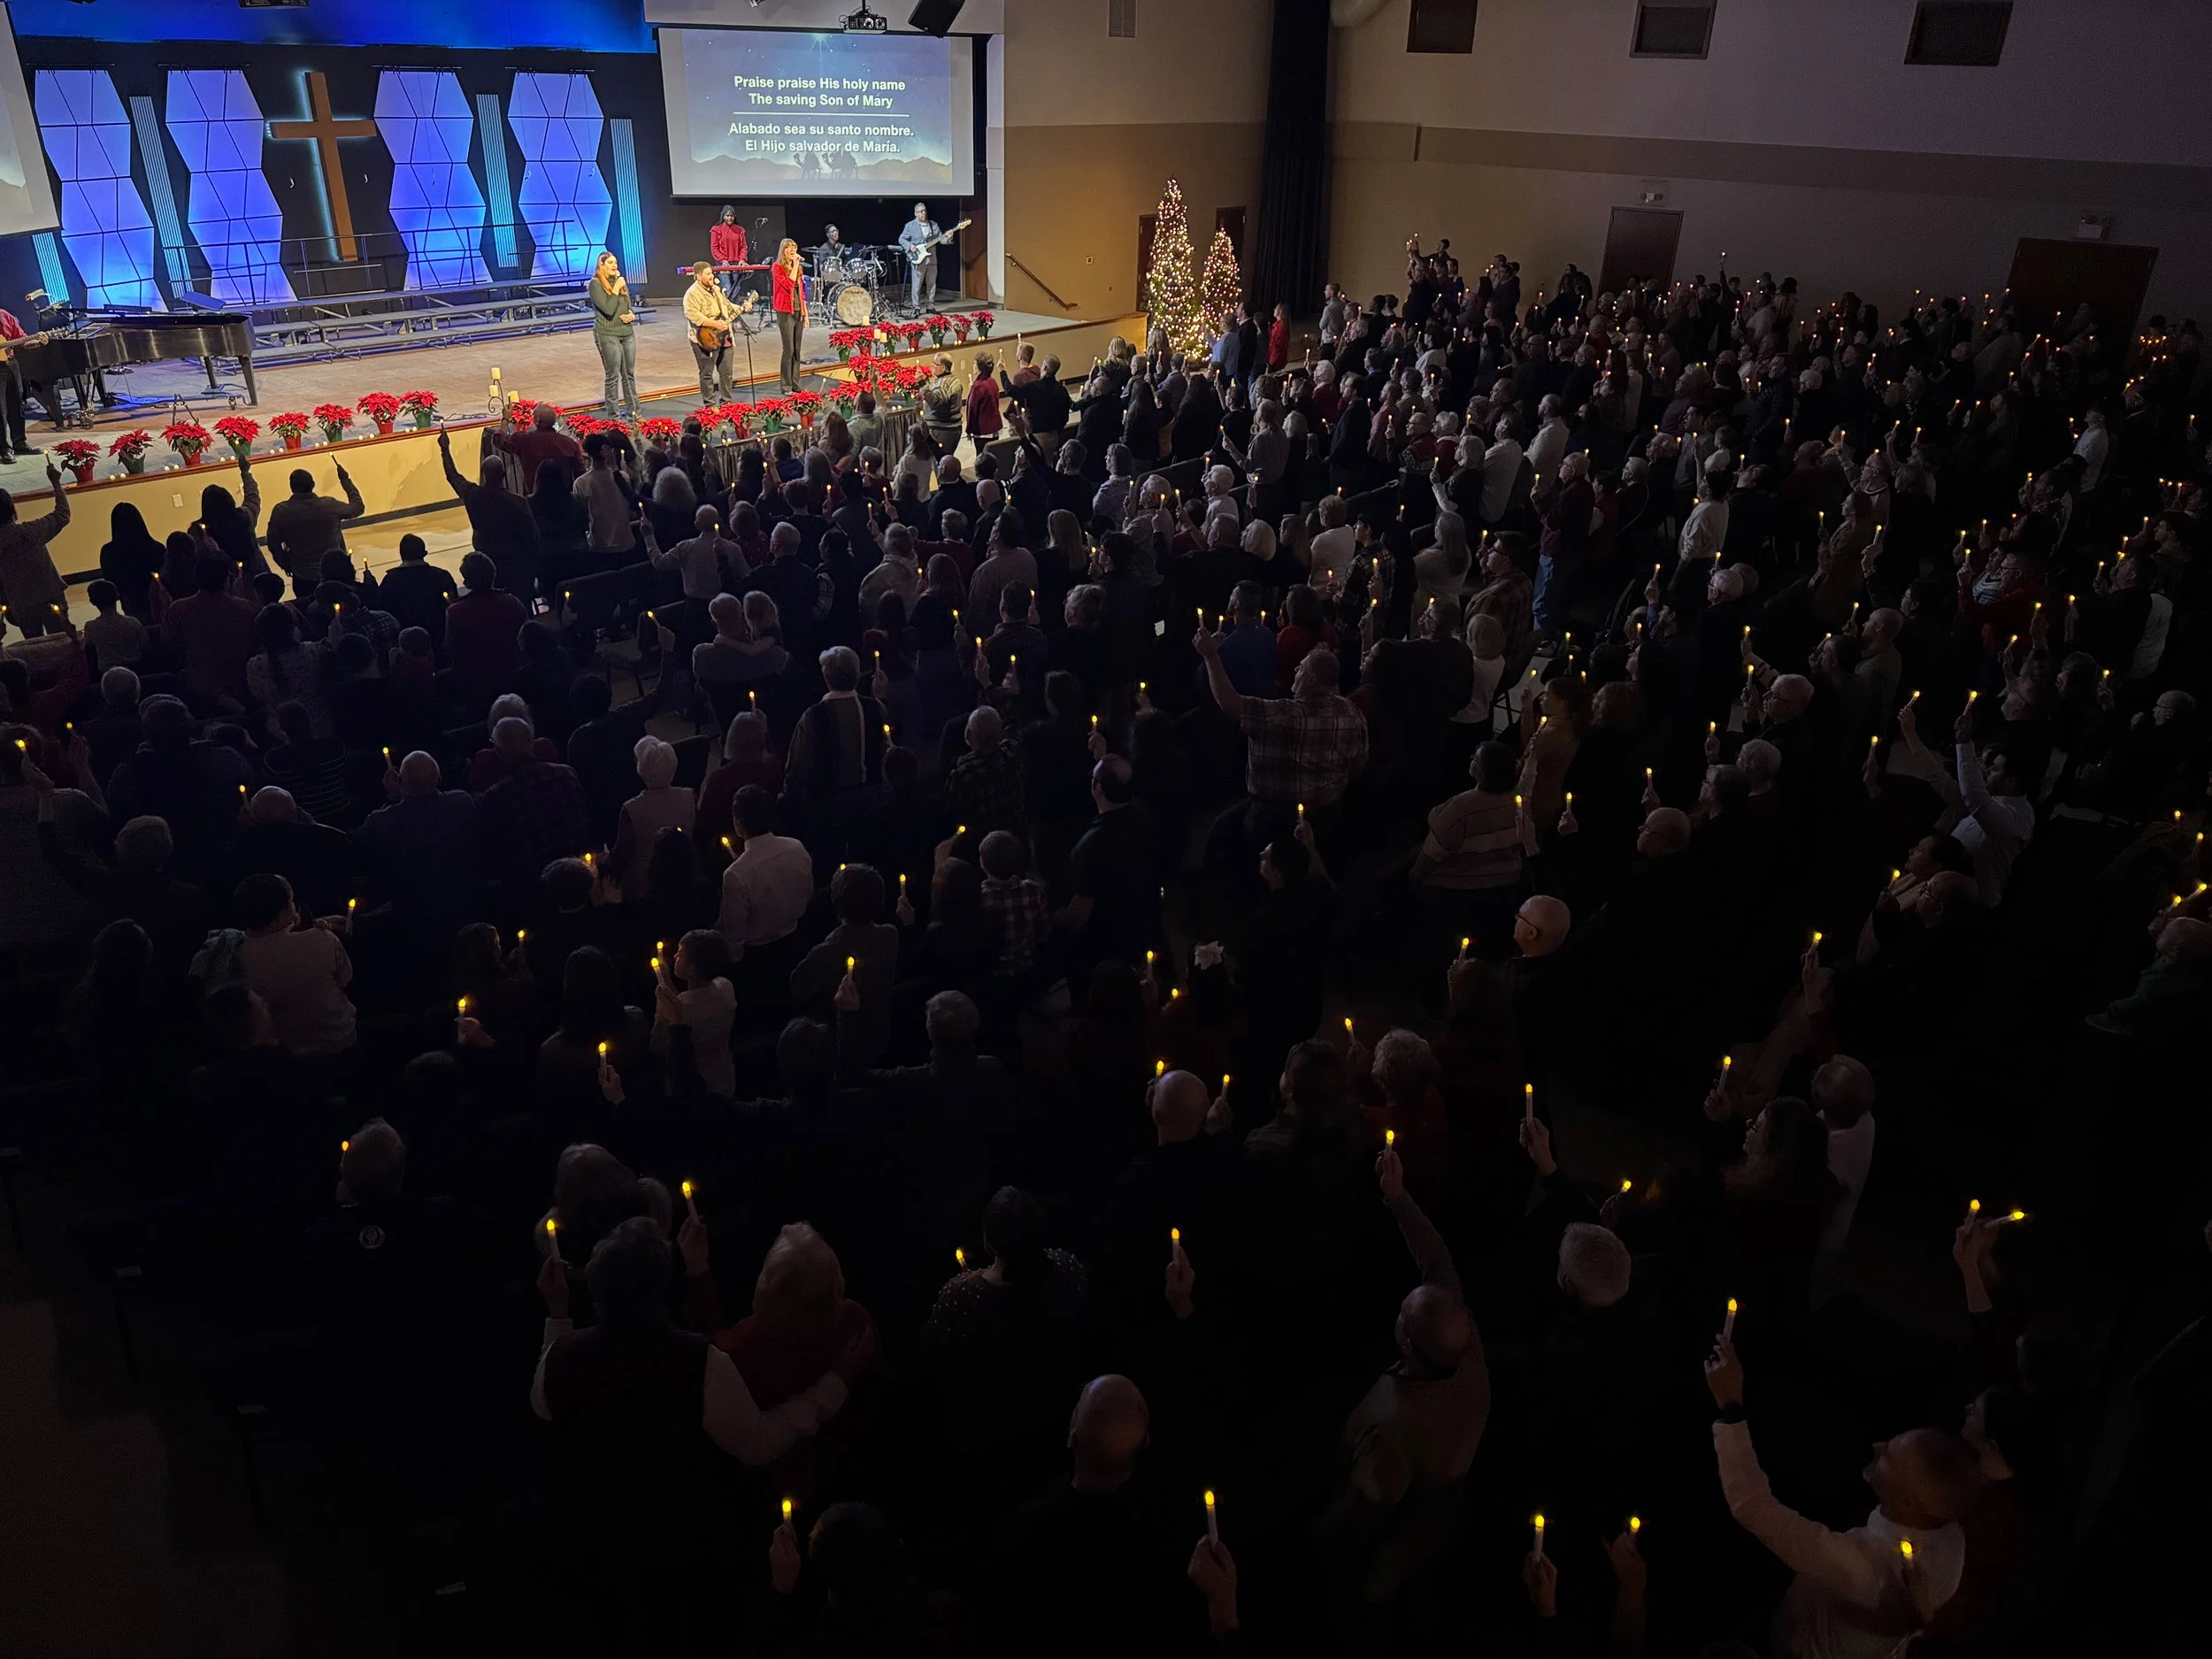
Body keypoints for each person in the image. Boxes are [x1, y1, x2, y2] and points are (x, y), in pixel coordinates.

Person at [438, 428, 541, 600]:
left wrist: (445, 449)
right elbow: (533, 538)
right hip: (514, 565)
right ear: (503, 474)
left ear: (483, 475)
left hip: (484, 561)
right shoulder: (518, 502)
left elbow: (452, 475)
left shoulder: (472, 495)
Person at [0, 462, 70, 634]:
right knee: (63, 641)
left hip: (20, 602)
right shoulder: (29, 532)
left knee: (34, 645)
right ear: (11, 508)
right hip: (49, 594)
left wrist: (6, 605)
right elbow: (62, 514)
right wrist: (55, 483)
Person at [588, 250, 641, 423]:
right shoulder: (595, 284)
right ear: (601, 265)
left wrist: (632, 314)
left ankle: (635, 413)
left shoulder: (620, 283)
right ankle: (614, 417)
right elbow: (608, 309)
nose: (614, 266)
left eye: (615, 263)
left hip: (627, 333)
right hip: (608, 334)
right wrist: (617, 288)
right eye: (610, 263)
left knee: (629, 375)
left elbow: (627, 305)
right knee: (613, 376)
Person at [684, 258, 745, 407]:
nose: (712, 276)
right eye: (708, 274)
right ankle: (710, 405)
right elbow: (693, 315)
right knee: (707, 374)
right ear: (699, 276)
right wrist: (714, 323)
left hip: (724, 336)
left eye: (712, 273)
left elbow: (727, 306)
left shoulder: (716, 290)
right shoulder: (692, 294)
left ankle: (726, 403)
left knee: (726, 372)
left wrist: (743, 307)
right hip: (705, 339)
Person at [771, 238, 808, 396]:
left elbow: (801, 292)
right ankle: (785, 385)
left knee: (797, 350)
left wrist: (806, 314)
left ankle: (795, 383)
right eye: (789, 248)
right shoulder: (777, 267)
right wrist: (796, 264)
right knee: (789, 349)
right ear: (783, 251)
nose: (792, 250)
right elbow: (789, 284)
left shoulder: (797, 268)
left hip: (798, 310)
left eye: (794, 247)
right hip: (785, 312)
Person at [898, 201, 939, 310]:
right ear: (916, 214)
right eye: (920, 212)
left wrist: (949, 237)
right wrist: (910, 246)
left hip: (932, 258)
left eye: (924, 210)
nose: (923, 213)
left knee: (932, 283)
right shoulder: (910, 226)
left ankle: (931, 305)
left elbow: (942, 240)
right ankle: (916, 306)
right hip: (919, 258)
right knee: (917, 284)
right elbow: (901, 239)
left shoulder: (933, 225)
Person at [709, 204, 749, 301]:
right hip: (723, 264)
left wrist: (742, 259)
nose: (730, 218)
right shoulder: (716, 229)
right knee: (727, 287)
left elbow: (744, 246)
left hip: (736, 264)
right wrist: (722, 259)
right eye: (727, 215)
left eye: (732, 216)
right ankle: (727, 311)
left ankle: (735, 310)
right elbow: (714, 248)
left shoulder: (740, 230)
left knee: (736, 288)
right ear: (723, 216)